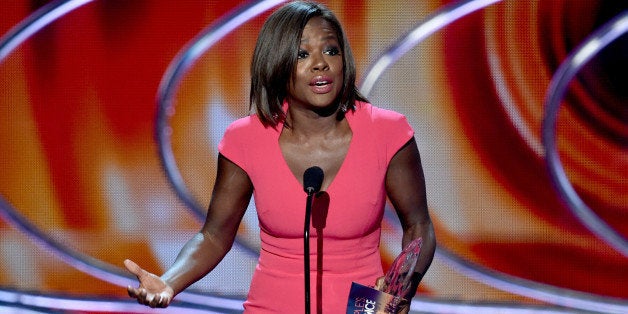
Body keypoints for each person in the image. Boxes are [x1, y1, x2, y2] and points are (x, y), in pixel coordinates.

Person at [124, 1, 435, 313]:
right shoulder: (245, 138)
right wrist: (170, 281)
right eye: (302, 54)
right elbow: (214, 235)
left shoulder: (386, 131)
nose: (320, 64)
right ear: (277, 63)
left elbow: (418, 227)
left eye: (330, 51)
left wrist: (398, 293)